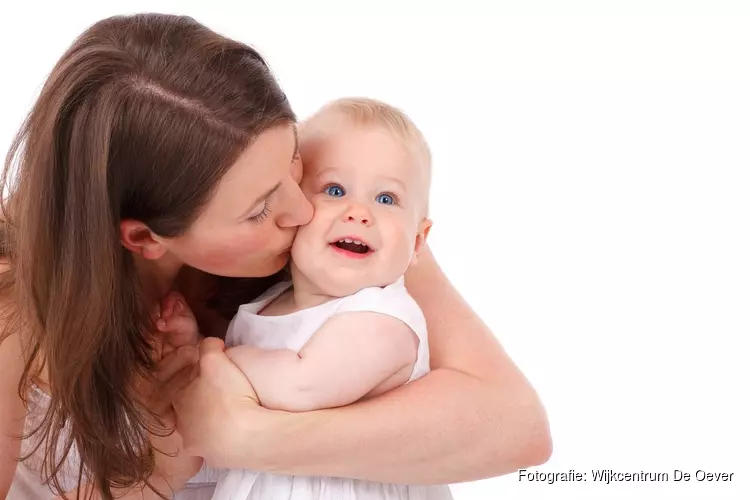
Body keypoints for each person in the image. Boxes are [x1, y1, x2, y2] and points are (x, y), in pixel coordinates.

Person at [0, 12, 551, 500]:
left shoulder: (345, 219)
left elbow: (516, 427)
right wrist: (160, 470)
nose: (303, 209)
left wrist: (249, 436)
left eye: (293, 160)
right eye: (260, 209)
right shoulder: (13, 308)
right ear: (144, 238)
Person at [161, 97, 453, 499]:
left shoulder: (383, 319)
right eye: (335, 189)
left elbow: (298, 386)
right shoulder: (268, 303)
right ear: (295, 207)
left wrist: (211, 358)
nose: (359, 212)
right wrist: (191, 348)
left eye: (385, 199)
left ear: (418, 240)